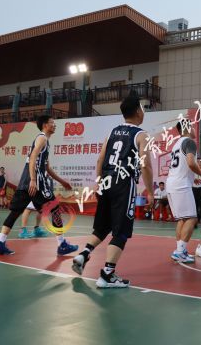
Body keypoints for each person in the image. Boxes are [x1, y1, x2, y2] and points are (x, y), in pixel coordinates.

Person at [72, 92, 154, 288]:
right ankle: (107, 275)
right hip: (123, 184)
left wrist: (99, 182)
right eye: (142, 108)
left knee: (103, 227)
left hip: (106, 182)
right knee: (121, 231)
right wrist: (150, 191)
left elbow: (100, 159)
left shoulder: (112, 132)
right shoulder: (141, 134)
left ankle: (84, 254)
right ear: (138, 111)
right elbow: (145, 165)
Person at [0, 115, 75, 256]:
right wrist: (34, 180)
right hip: (36, 183)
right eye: (52, 123)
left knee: (15, 212)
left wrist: (62, 181)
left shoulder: (45, 141)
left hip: (27, 183)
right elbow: (33, 157)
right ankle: (62, 245)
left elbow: (47, 168)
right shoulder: (42, 138)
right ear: (45, 125)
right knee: (55, 209)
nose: (55, 125)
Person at [166, 119, 201, 263]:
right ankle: (179, 252)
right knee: (192, 218)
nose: (194, 130)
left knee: (182, 219)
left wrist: (192, 178)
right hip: (180, 185)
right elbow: (190, 162)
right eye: (193, 127)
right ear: (188, 128)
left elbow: (181, 165)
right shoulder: (189, 142)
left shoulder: (176, 144)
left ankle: (180, 250)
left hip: (172, 183)